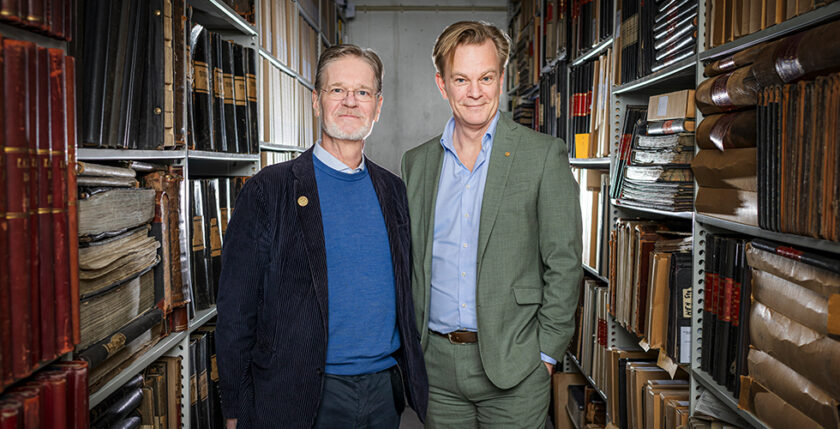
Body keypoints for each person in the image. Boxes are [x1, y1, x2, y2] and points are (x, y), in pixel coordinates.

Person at [216, 44, 428, 429]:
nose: (350, 101)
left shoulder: (393, 190)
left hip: (383, 391)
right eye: (337, 90)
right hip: (301, 394)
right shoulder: (268, 191)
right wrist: (235, 409)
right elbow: (236, 311)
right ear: (316, 101)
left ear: (377, 106)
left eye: (362, 92)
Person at [400, 21, 582, 428]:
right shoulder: (416, 163)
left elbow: (564, 262)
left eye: (485, 78)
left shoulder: (542, 156)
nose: (475, 92)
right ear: (442, 84)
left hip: (516, 366)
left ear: (501, 79)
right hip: (437, 369)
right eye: (460, 79)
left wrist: (546, 354)